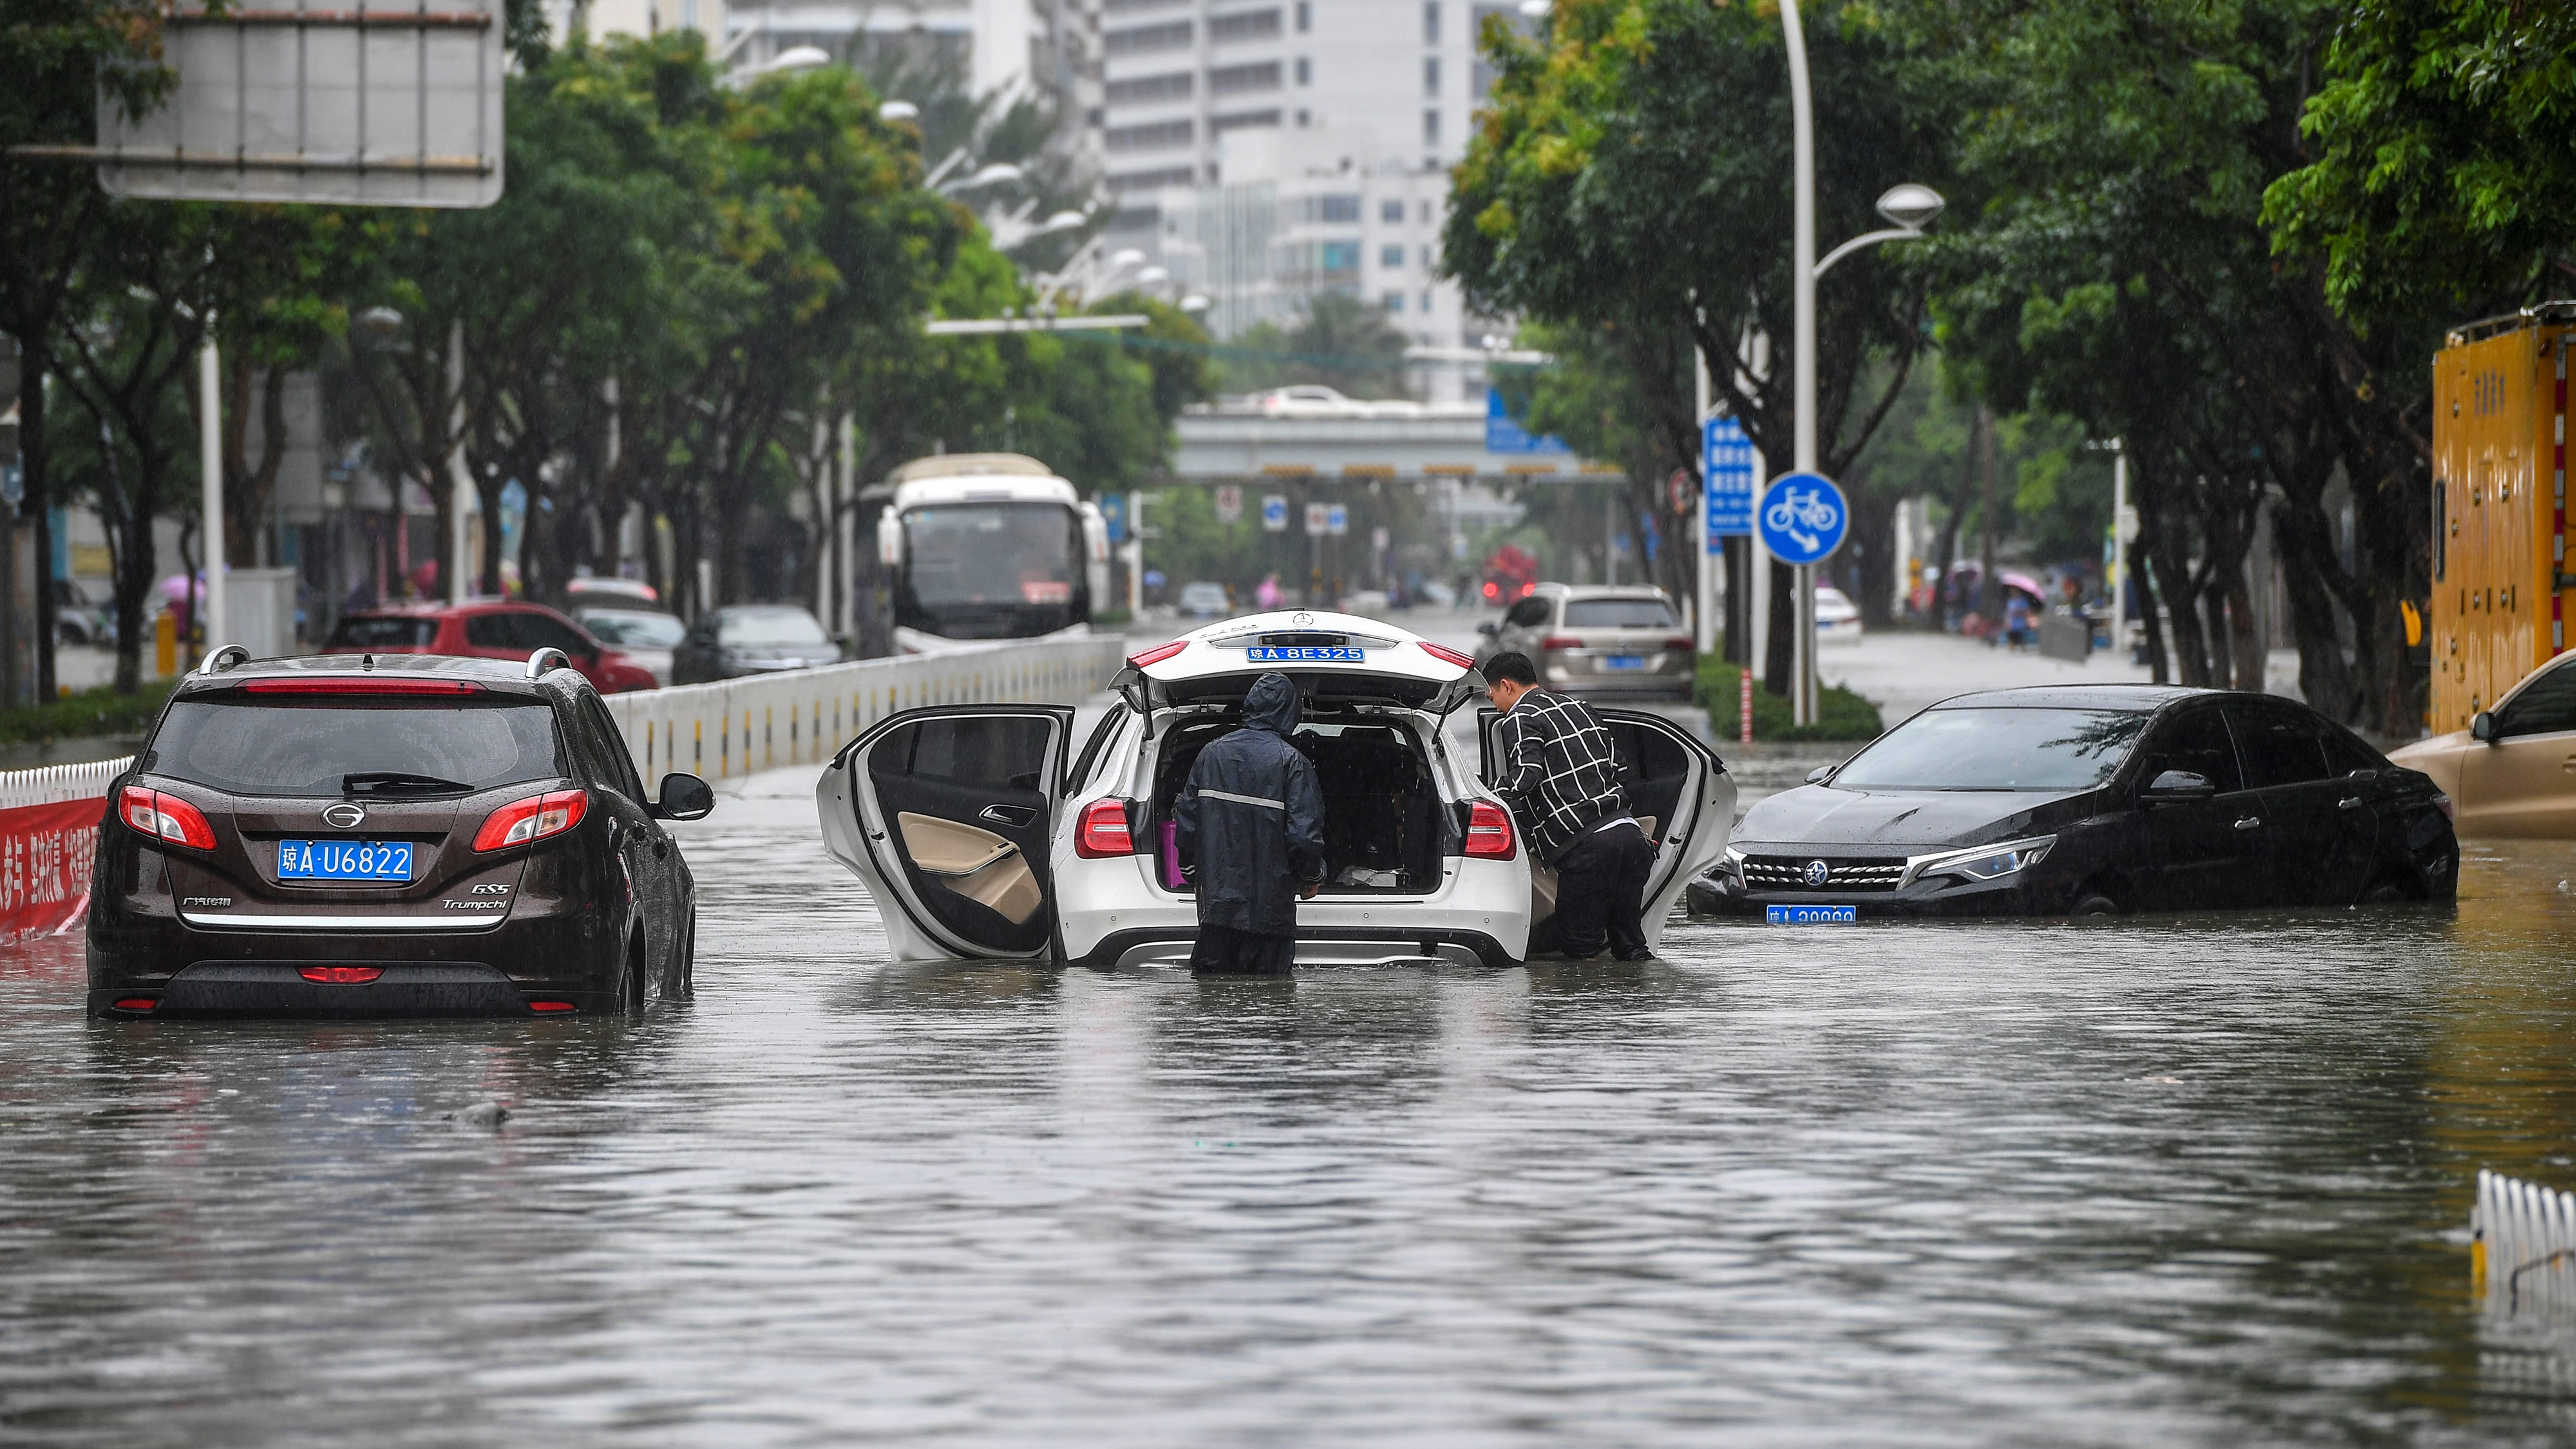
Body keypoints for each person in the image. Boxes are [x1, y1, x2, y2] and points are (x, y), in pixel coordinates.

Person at [1482, 650, 1656, 961]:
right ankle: (1638, 1006)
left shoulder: (1521, 717)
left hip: (1588, 849)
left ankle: (1587, 1011)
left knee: (1580, 955)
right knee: (1631, 946)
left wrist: (1485, 792)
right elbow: (1619, 768)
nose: (1492, 701)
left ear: (1507, 686)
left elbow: (1527, 776)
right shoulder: (1581, 707)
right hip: (1631, 838)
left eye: (1492, 692)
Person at [1174, 672, 1327, 974]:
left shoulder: (1211, 754)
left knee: (1213, 1007)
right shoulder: (1293, 763)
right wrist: (1311, 876)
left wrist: (1192, 873)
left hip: (1217, 912)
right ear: (1290, 713)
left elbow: (1186, 822)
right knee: (1272, 1007)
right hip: (1271, 918)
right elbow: (1303, 836)